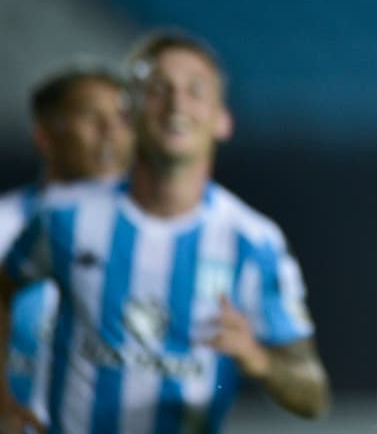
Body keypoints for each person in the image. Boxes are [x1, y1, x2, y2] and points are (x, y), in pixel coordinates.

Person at [0, 30, 330, 433]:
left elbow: (313, 396)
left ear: (223, 120)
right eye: (159, 89)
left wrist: (257, 358)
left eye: (195, 90)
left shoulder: (253, 241)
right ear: (130, 112)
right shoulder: (66, 216)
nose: (177, 102)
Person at [0, 64, 134, 428]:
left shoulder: (159, 238)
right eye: (91, 115)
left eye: (123, 117)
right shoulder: (5, 226)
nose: (109, 131)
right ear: (44, 134)